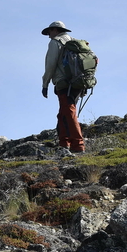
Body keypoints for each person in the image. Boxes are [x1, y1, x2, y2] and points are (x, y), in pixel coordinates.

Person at [41, 20, 85, 153]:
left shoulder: (55, 43)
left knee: (69, 112)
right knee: (63, 114)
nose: (49, 35)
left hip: (64, 83)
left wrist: (45, 84)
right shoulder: (76, 42)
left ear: (55, 30)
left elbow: (50, 65)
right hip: (79, 82)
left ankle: (78, 146)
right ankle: (64, 143)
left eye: (49, 32)